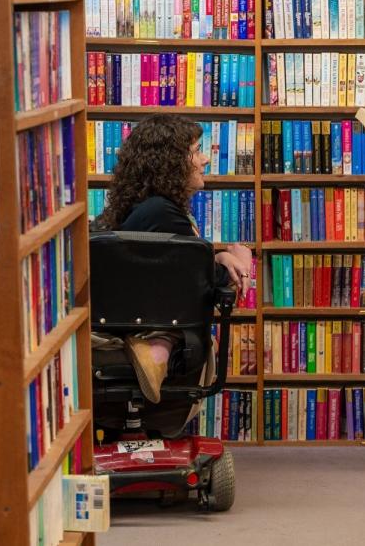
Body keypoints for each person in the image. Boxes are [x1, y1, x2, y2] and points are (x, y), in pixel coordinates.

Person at [95, 113, 253, 404]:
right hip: (144, 324)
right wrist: (240, 257)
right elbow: (204, 283)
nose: (205, 159)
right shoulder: (162, 212)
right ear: (168, 163)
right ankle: (157, 349)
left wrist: (217, 256)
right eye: (196, 152)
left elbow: (181, 265)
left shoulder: (149, 209)